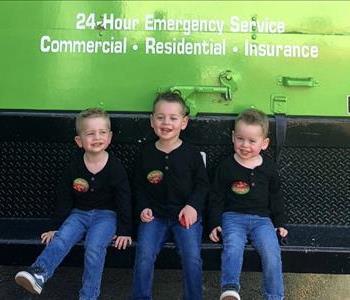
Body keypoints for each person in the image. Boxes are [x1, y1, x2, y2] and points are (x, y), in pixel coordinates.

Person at [15, 108, 133, 300]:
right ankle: (39, 274)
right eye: (90, 133)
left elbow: (124, 198)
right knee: (61, 239)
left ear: (110, 137)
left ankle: (88, 296)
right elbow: (65, 197)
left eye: (102, 132)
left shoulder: (115, 167)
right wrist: (56, 226)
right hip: (79, 214)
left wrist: (125, 230)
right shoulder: (74, 165)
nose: (97, 137)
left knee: (94, 247)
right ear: (79, 141)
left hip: (106, 216)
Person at [131, 91, 209, 300]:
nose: (166, 123)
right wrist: (143, 208)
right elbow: (138, 187)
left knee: (192, 257)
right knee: (144, 256)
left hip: (184, 217)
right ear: (152, 121)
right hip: (154, 217)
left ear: (184, 122)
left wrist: (193, 206)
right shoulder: (145, 153)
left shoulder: (192, 154)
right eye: (160, 117)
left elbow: (203, 185)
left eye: (173, 118)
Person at [208, 108, 288, 300]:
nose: (245, 145)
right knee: (233, 247)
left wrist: (280, 223)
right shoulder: (226, 166)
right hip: (232, 217)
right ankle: (230, 290)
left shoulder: (269, 168)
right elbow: (216, 196)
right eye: (241, 139)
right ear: (233, 137)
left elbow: (276, 196)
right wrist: (214, 223)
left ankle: (275, 296)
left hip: (262, 220)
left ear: (264, 143)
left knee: (271, 252)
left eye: (252, 141)